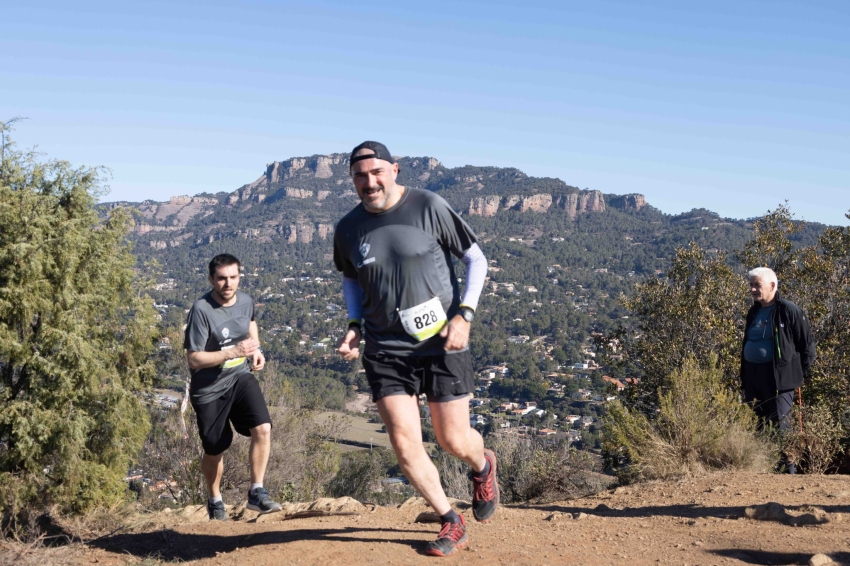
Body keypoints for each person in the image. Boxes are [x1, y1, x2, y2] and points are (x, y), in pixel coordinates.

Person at [334, 141, 498, 556]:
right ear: (351, 180)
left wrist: (465, 314)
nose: (369, 182)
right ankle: (450, 519)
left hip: (441, 342)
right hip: (385, 349)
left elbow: (476, 260)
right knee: (404, 442)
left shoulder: (429, 206)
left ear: (394, 170)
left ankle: (482, 465)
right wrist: (354, 325)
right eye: (359, 176)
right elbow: (351, 279)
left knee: (452, 440)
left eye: (376, 173)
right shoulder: (348, 228)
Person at [184, 253, 282, 520]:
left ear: (240, 276)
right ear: (211, 279)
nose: (228, 284)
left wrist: (256, 349)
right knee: (214, 449)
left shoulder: (247, 300)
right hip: (209, 389)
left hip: (239, 376)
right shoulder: (201, 310)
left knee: (263, 427)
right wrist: (232, 351)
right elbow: (194, 359)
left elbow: (250, 322)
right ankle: (215, 501)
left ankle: (256, 492)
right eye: (221, 278)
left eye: (233, 277)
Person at [741, 267, 816, 474]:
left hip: (779, 380)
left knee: (781, 426)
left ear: (772, 286)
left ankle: (788, 473)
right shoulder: (754, 311)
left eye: (757, 285)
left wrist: (792, 374)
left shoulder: (789, 310)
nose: (753, 290)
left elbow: (807, 348)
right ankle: (763, 470)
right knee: (758, 425)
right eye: (751, 285)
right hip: (753, 377)